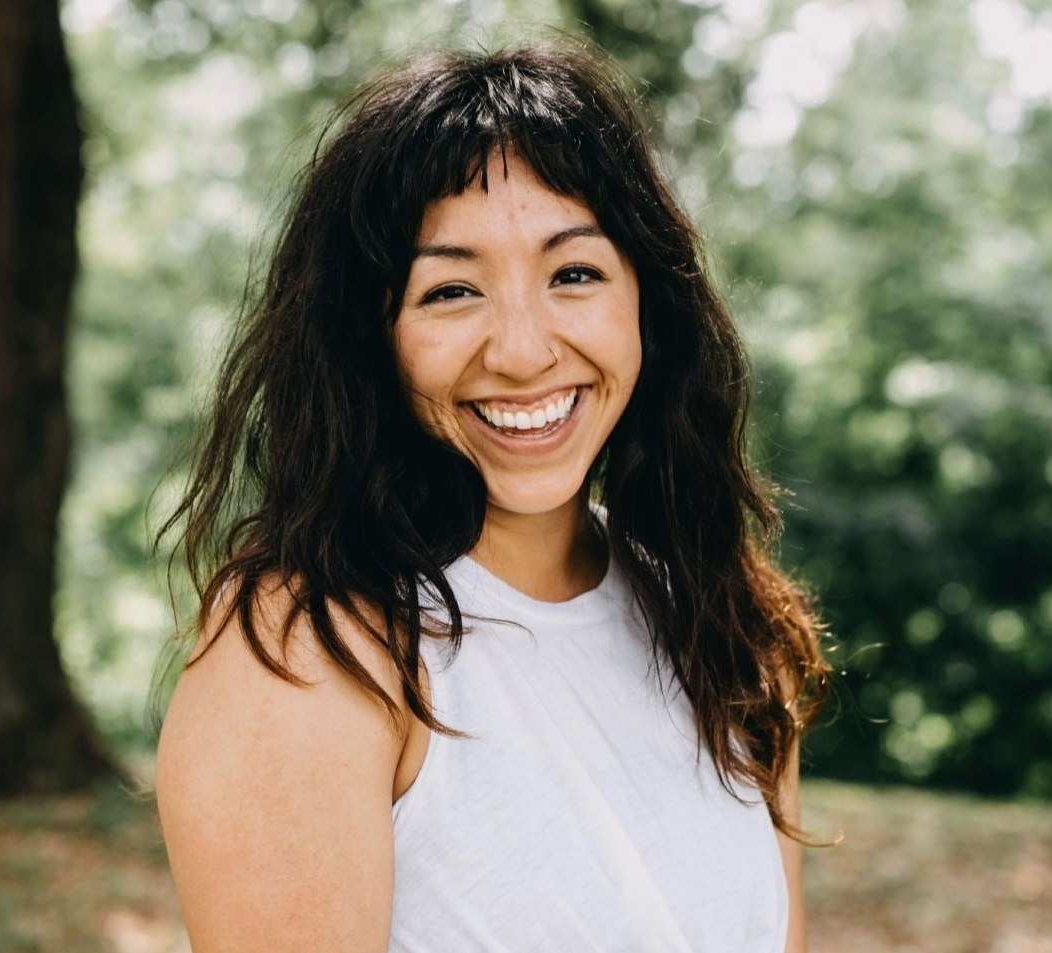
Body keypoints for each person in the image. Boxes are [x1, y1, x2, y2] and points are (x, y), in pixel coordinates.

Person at [153, 37, 832, 953]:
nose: (520, 350)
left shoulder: (726, 626)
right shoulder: (310, 644)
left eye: (574, 273)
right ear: (371, 337)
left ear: (648, 303)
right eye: (451, 290)